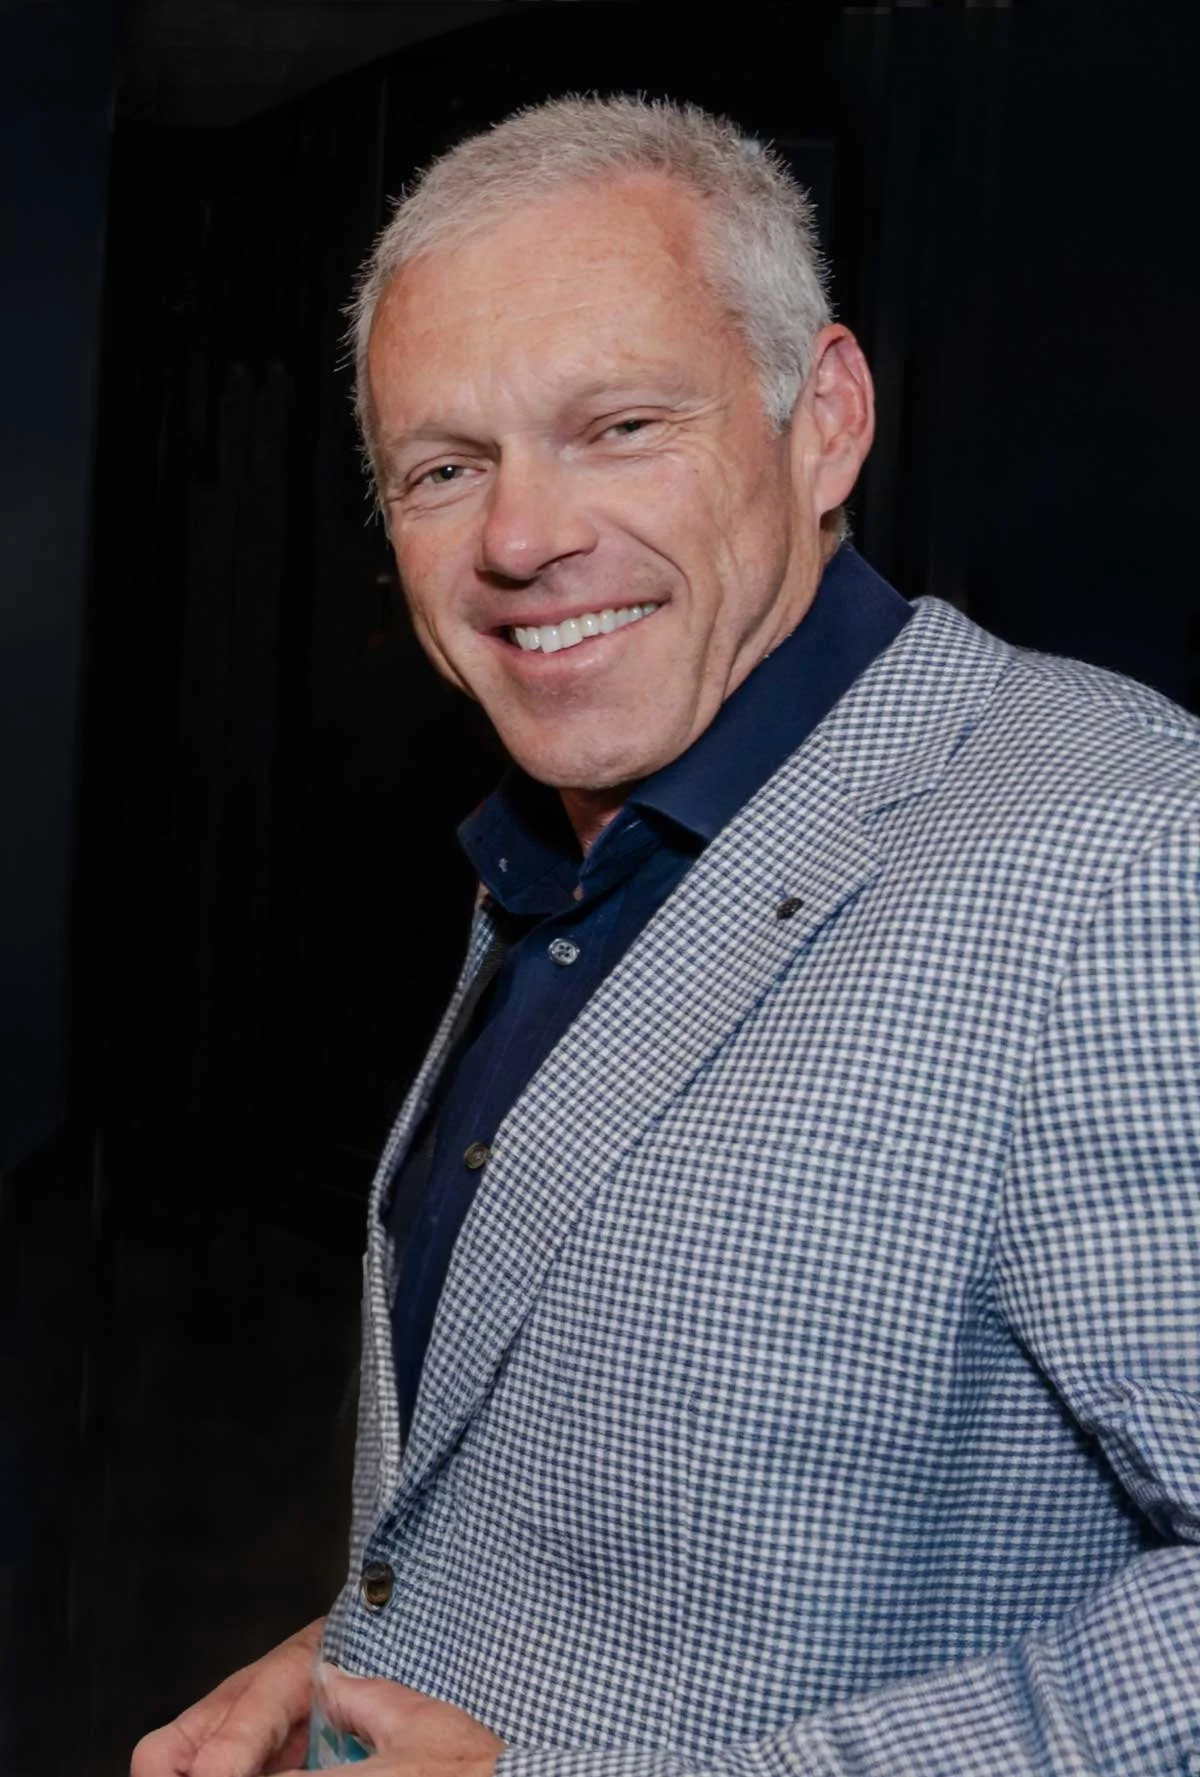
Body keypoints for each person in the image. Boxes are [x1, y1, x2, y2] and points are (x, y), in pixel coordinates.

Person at [133, 96, 1200, 1777]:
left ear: (824, 419)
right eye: (445, 466)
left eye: (619, 424)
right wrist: (352, 1646)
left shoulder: (1121, 856)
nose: (518, 538)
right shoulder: (580, 841)